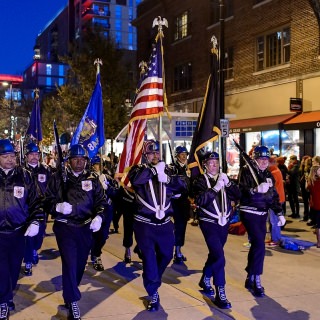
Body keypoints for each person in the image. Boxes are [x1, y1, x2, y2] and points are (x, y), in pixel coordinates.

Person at [45, 144, 108, 320]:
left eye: (82, 159)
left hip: (85, 228)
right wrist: (57, 206)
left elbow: (102, 201)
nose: (79, 162)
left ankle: (70, 292)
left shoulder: (93, 179)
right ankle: (73, 301)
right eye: (75, 159)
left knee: (80, 264)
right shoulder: (58, 178)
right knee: (70, 262)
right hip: (65, 227)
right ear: (69, 161)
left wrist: (100, 216)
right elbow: (46, 201)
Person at [128, 140, 188, 312]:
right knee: (149, 258)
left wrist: (167, 178)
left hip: (164, 224)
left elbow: (183, 184)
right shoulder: (138, 170)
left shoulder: (168, 170)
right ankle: (153, 291)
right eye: (151, 153)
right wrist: (154, 170)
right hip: (144, 224)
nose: (155, 156)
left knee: (166, 255)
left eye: (157, 153)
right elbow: (136, 181)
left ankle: (153, 277)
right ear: (145, 156)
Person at [0, 139, 44, 320]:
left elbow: (37, 202)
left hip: (18, 232)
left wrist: (36, 221)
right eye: (5, 156)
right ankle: (3, 301)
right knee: (1, 269)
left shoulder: (25, 176)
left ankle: (7, 293)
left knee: (12, 268)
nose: (9, 160)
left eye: (12, 156)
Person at [192, 152, 240, 309]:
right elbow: (201, 201)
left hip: (224, 222)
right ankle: (220, 291)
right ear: (205, 164)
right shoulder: (200, 180)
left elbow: (239, 195)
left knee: (215, 253)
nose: (215, 165)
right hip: (208, 222)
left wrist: (229, 185)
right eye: (211, 163)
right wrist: (216, 187)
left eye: (216, 162)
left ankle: (205, 277)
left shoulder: (224, 178)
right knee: (220, 257)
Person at [238, 145, 285, 297]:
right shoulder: (246, 171)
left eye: (266, 159)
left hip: (262, 214)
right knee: (259, 244)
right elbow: (241, 191)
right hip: (249, 212)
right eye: (261, 159)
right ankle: (257, 278)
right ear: (255, 159)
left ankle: (250, 275)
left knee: (256, 246)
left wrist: (279, 212)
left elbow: (273, 196)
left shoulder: (269, 175)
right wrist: (255, 190)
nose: (264, 162)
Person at [23, 142, 52, 276]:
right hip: (26, 209)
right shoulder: (21, 171)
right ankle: (28, 261)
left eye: (36, 154)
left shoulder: (45, 171)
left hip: (42, 207)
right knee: (29, 235)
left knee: (39, 235)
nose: (34, 157)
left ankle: (35, 249)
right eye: (31, 154)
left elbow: (51, 189)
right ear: (26, 156)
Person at [90, 155, 118, 271]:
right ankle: (96, 255)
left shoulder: (107, 177)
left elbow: (116, 192)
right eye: (97, 164)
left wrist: (107, 187)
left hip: (107, 210)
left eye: (100, 164)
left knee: (104, 235)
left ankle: (96, 252)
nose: (98, 167)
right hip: (94, 211)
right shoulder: (88, 178)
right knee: (94, 234)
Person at [169, 146, 191, 263]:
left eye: (185, 154)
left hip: (184, 201)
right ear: (176, 155)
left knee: (181, 227)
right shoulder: (172, 168)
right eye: (181, 154)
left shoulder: (188, 169)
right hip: (174, 201)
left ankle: (178, 250)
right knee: (173, 227)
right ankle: (173, 250)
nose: (184, 157)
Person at [267, 156, 286, 246]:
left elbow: (270, 187)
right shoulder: (277, 171)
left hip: (276, 200)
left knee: (274, 221)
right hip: (279, 198)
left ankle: (276, 239)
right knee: (274, 220)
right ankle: (274, 238)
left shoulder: (273, 172)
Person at [306, 165, 320, 247]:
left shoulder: (311, 182)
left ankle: (319, 242)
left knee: (319, 225)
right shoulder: (317, 182)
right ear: (315, 172)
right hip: (318, 205)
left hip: (315, 205)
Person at [299, 155, 312, 222]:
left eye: (303, 160)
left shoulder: (309, 169)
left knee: (309, 202)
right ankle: (306, 216)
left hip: (308, 188)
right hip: (303, 187)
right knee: (305, 202)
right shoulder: (302, 168)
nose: (302, 161)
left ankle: (309, 216)